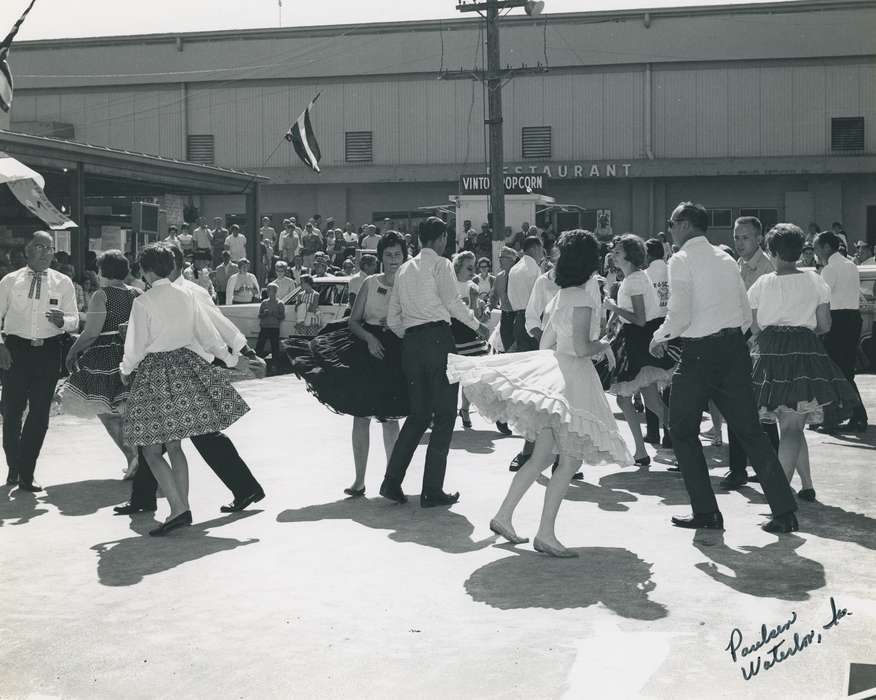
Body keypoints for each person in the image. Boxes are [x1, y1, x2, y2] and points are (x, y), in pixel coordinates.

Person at [447, 230, 631, 556]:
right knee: (569, 460)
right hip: (573, 382)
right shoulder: (583, 298)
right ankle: (545, 533)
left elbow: (547, 343)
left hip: (555, 377)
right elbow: (581, 347)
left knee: (542, 456)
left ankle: (504, 516)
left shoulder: (560, 296)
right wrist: (608, 340)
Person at [649, 202, 798, 533]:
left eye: (671, 223)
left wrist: (659, 337)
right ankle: (785, 512)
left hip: (699, 353)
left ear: (685, 225)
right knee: (751, 432)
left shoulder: (681, 259)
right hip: (733, 350)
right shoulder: (726, 257)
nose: (670, 229)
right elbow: (745, 311)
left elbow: (680, 314)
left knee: (682, 430)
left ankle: (706, 512)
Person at [115, 245, 267, 516]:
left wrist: (126, 368)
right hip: (187, 370)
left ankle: (181, 505)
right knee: (170, 442)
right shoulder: (181, 295)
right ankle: (159, 501)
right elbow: (210, 333)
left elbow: (218, 326)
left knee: (162, 443)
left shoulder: (168, 296)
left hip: (171, 372)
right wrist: (233, 359)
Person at [286, 232, 408, 498]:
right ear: (380, 257)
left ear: (404, 256)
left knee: (390, 419)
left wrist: (399, 328)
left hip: (396, 353)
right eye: (388, 254)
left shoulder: (409, 284)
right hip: (367, 349)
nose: (393, 260)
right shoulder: (370, 283)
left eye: (397, 254)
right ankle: (359, 480)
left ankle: (392, 480)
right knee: (360, 415)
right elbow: (353, 320)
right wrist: (370, 339)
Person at [380, 217, 490, 507]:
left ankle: (391, 482)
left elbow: (393, 319)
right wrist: (477, 324)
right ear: (441, 238)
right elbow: (453, 303)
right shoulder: (441, 264)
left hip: (412, 345)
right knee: (443, 417)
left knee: (417, 417)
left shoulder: (403, 270)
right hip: (439, 341)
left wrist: (414, 335)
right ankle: (431, 489)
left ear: (418, 240)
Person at [748, 224, 858, 503]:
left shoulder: (762, 283)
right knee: (794, 423)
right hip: (804, 351)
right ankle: (806, 484)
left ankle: (781, 494)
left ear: (772, 252)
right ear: (801, 251)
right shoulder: (815, 281)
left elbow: (755, 326)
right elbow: (825, 325)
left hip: (770, 353)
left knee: (790, 425)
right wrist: (802, 333)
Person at [0, 231, 79, 491]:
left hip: (47, 352)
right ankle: (14, 465)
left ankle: (26, 472)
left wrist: (63, 322)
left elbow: (74, 319)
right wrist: (1, 346)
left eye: (50, 248)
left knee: (39, 415)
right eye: (40, 247)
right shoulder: (10, 281)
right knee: (12, 412)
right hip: (15, 351)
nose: (46, 253)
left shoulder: (63, 282)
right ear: (27, 250)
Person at [60, 250, 142, 476]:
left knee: (105, 410)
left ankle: (132, 455)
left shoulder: (101, 295)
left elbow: (91, 333)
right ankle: (139, 456)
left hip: (105, 356)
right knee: (127, 409)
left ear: (103, 270)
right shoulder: (138, 293)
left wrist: (72, 351)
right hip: (131, 354)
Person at [720, 216, 781, 489]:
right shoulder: (737, 265)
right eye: (737, 237)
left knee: (762, 411)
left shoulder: (769, 268)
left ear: (759, 238)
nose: (740, 242)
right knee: (736, 408)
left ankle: (772, 466)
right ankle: (738, 469)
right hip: (737, 342)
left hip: (759, 345)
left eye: (745, 237)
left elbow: (765, 315)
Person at [603, 234, 674, 466]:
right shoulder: (634, 278)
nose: (613, 254)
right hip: (639, 338)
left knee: (626, 399)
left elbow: (640, 319)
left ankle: (643, 451)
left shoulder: (633, 280)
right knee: (652, 401)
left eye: (618, 251)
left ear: (629, 255)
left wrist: (612, 306)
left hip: (637, 339)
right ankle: (668, 445)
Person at [814, 231, 869, 432]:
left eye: (817, 247)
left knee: (834, 372)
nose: (815, 251)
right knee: (845, 371)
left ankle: (845, 416)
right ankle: (851, 414)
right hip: (852, 319)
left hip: (836, 321)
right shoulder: (850, 264)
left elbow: (822, 298)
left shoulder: (830, 269)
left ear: (827, 247)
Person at [505, 235, 545, 470]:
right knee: (538, 384)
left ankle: (532, 443)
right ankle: (533, 445)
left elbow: (510, 301)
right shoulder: (534, 271)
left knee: (528, 381)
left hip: (517, 320)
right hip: (534, 322)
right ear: (537, 248)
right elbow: (538, 303)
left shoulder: (515, 269)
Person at [451, 251, 489, 429]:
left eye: (474, 267)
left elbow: (476, 315)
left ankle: (465, 409)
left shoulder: (471, 286)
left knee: (471, 374)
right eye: (469, 267)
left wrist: (477, 303)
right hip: (451, 333)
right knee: (450, 376)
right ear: (458, 267)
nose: (473, 271)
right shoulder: (448, 284)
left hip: (469, 333)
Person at [643, 238, 672, 446]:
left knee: (650, 381)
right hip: (673, 326)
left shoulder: (644, 276)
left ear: (647, 255)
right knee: (671, 381)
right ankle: (670, 434)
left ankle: (653, 431)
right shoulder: (672, 271)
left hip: (650, 328)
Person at [255, 283, 285, 373]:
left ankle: (275, 365)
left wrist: (274, 314)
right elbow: (259, 316)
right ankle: (256, 364)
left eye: (270, 290)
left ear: (275, 292)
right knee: (260, 347)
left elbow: (282, 317)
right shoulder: (264, 302)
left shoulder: (280, 303)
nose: (268, 292)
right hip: (264, 327)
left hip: (274, 328)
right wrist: (264, 313)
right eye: (267, 290)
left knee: (275, 347)